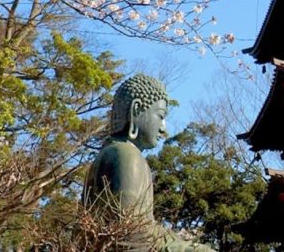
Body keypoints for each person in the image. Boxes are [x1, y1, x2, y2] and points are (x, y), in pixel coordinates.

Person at [83, 73, 214, 251]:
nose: (163, 128)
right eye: (160, 116)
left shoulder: (114, 152)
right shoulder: (125, 155)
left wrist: (177, 241)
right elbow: (128, 235)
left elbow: (143, 227)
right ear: (136, 109)